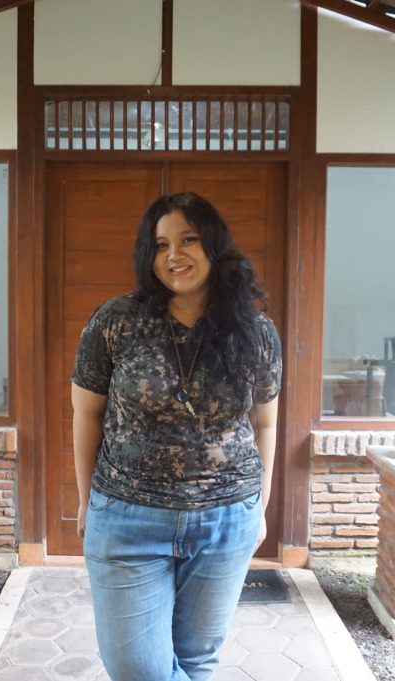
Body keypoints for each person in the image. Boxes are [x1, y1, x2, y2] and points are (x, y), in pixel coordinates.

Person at [70, 192, 282, 681]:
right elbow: (86, 414)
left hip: (226, 517)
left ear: (214, 246)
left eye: (188, 240)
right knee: (137, 670)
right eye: (161, 245)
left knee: (197, 660)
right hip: (126, 516)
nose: (174, 255)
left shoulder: (256, 330)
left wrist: (261, 507)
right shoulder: (116, 321)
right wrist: (86, 500)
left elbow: (267, 423)